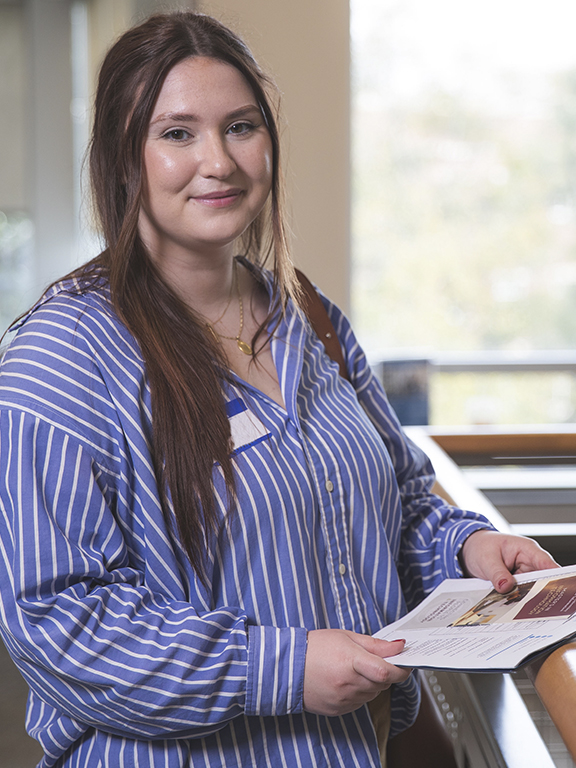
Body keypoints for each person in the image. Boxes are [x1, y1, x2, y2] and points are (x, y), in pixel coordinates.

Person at [0, 11, 558, 768]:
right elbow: (59, 625)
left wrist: (468, 549)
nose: (219, 161)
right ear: (122, 156)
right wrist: (280, 668)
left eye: (240, 127)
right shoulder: (61, 359)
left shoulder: (309, 316)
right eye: (177, 134)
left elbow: (400, 506)